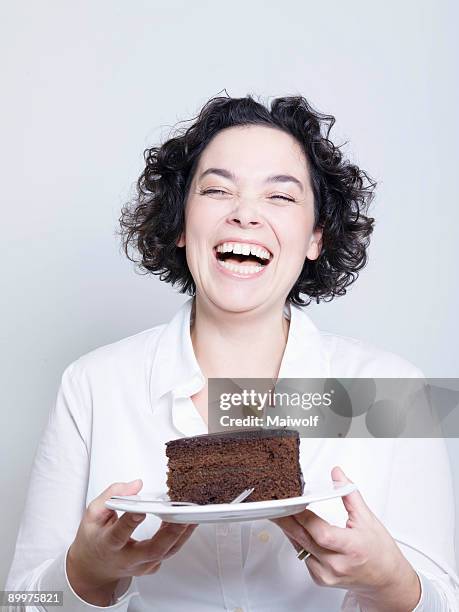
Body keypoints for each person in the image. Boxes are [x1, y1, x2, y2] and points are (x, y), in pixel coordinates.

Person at [6, 94, 459, 611]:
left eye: (280, 197)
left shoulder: (396, 391)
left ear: (316, 237)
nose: (245, 213)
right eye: (218, 189)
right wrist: (85, 574)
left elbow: (445, 598)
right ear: (180, 224)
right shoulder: (92, 384)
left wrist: (390, 581)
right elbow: (21, 601)